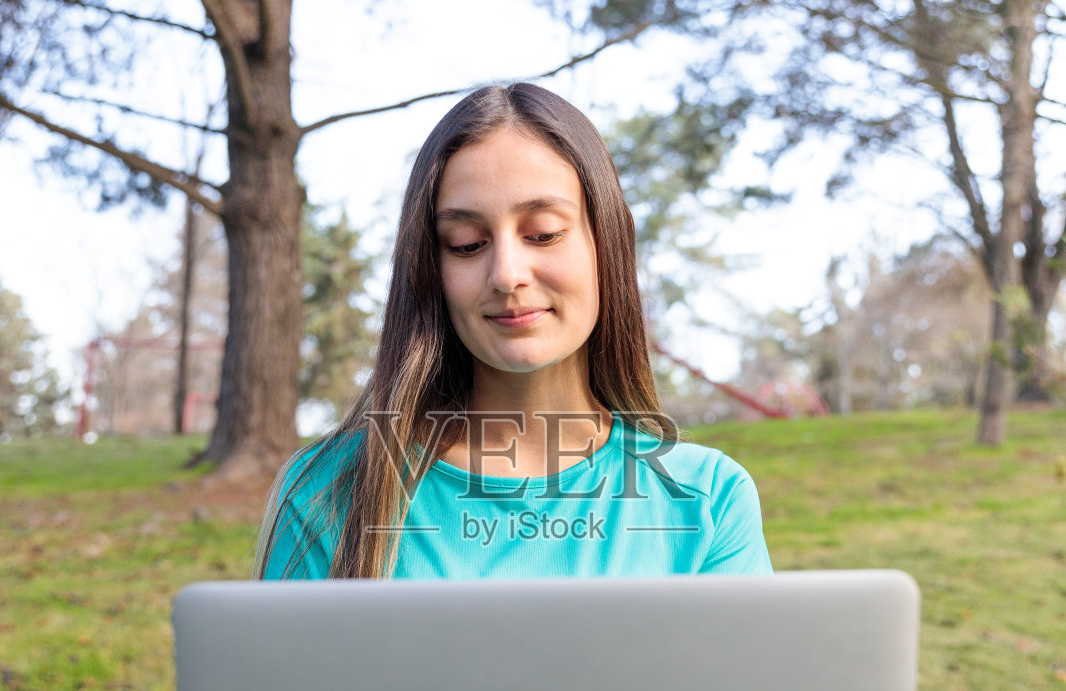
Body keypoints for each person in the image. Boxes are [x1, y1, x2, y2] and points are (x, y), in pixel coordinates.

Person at [255, 83, 772, 581]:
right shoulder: (329, 492)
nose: (506, 275)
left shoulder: (707, 499)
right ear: (430, 270)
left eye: (543, 234)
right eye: (465, 243)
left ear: (607, 245)